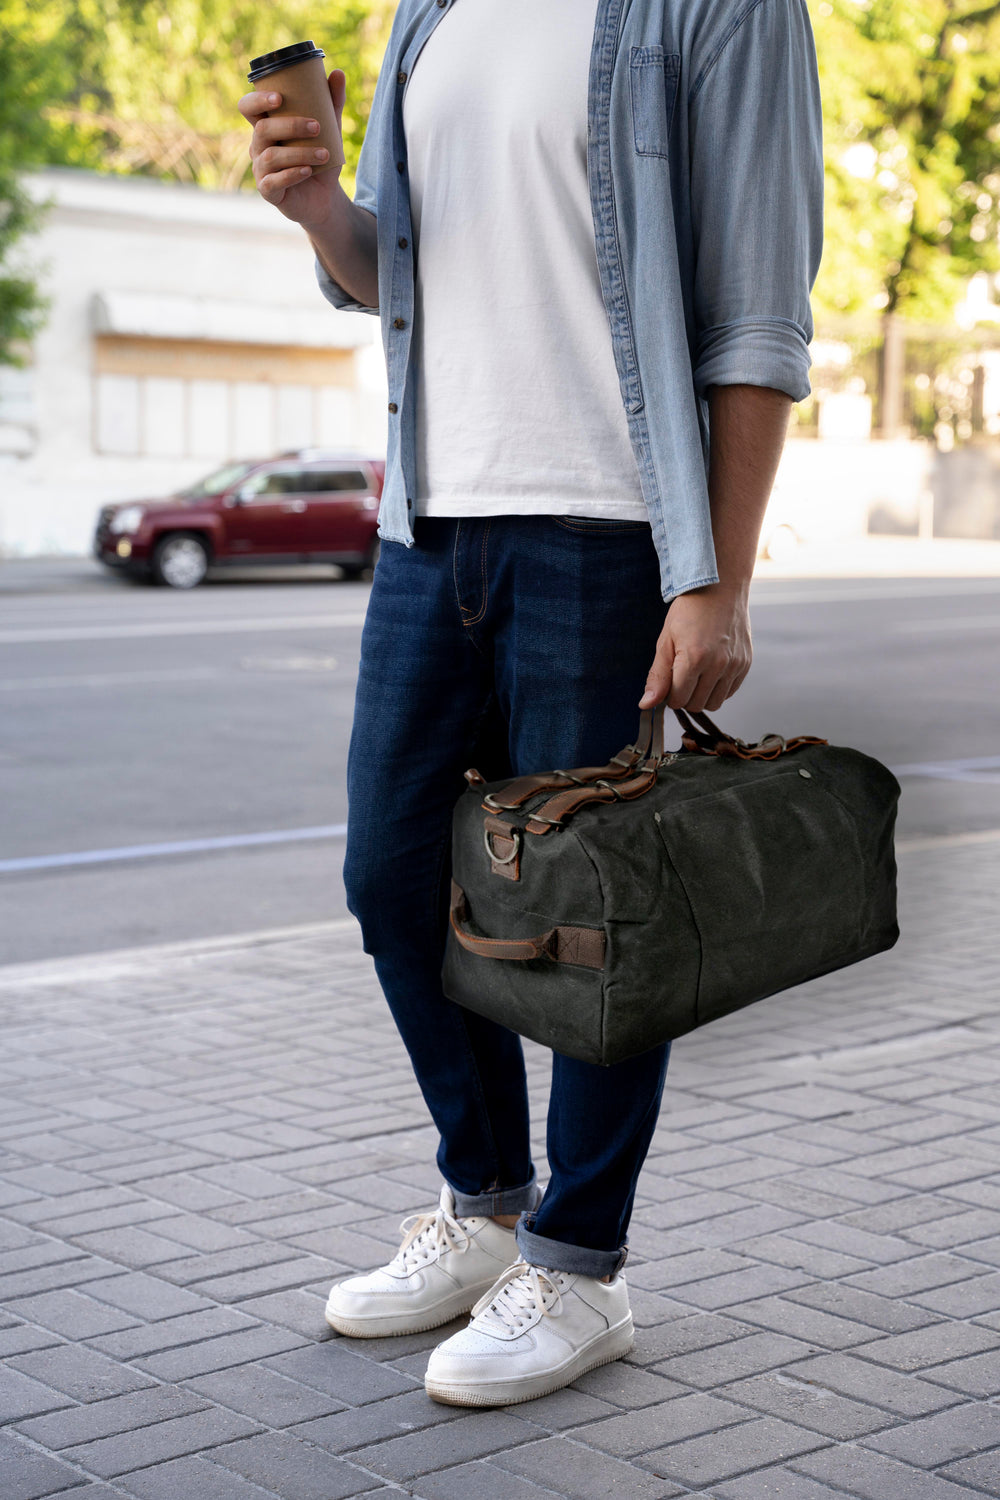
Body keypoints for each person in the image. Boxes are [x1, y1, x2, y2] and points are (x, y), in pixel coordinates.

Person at [240, 0, 823, 1408]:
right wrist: (324, 208)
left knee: (594, 929)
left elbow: (756, 308)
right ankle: (486, 1201)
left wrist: (719, 580)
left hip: (612, 534)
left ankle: (578, 1266)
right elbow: (400, 276)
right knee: (391, 882)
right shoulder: (426, 12)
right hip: (430, 526)